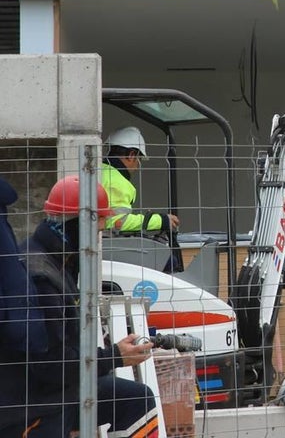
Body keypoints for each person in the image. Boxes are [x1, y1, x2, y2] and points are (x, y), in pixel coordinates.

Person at [0, 175, 160, 438]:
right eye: (96, 230)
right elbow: (51, 365)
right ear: (76, 225)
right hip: (32, 404)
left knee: (134, 399)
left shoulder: (56, 262)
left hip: (56, 391)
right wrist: (115, 357)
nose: (98, 239)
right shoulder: (41, 276)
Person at [102, 126, 179, 238]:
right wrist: (161, 221)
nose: (138, 165)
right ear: (131, 155)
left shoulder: (98, 170)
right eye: (139, 159)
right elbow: (117, 223)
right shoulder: (117, 182)